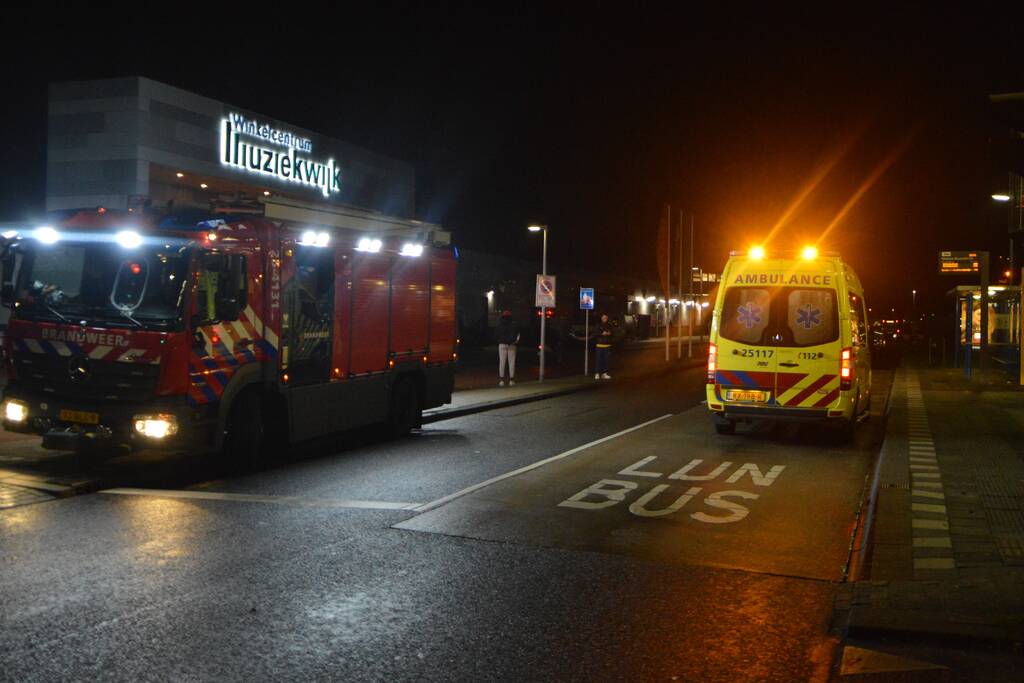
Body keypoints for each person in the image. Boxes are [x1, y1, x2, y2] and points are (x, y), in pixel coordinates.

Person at [495, 310, 520, 386]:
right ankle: (511, 380)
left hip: (502, 344)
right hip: (512, 345)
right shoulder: (514, 324)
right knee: (511, 362)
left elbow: (496, 334)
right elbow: (518, 335)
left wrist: (499, 341)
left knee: (502, 362)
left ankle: (501, 380)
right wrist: (514, 342)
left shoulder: (499, 324)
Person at [594, 313, 613, 379]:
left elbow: (612, 333)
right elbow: (596, 333)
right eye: (603, 317)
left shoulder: (609, 325)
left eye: (606, 318)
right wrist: (602, 333)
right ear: (601, 318)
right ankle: (597, 373)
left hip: (607, 345)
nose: (605, 319)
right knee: (598, 360)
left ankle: (604, 373)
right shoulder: (598, 325)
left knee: (606, 360)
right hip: (599, 345)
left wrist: (609, 333)